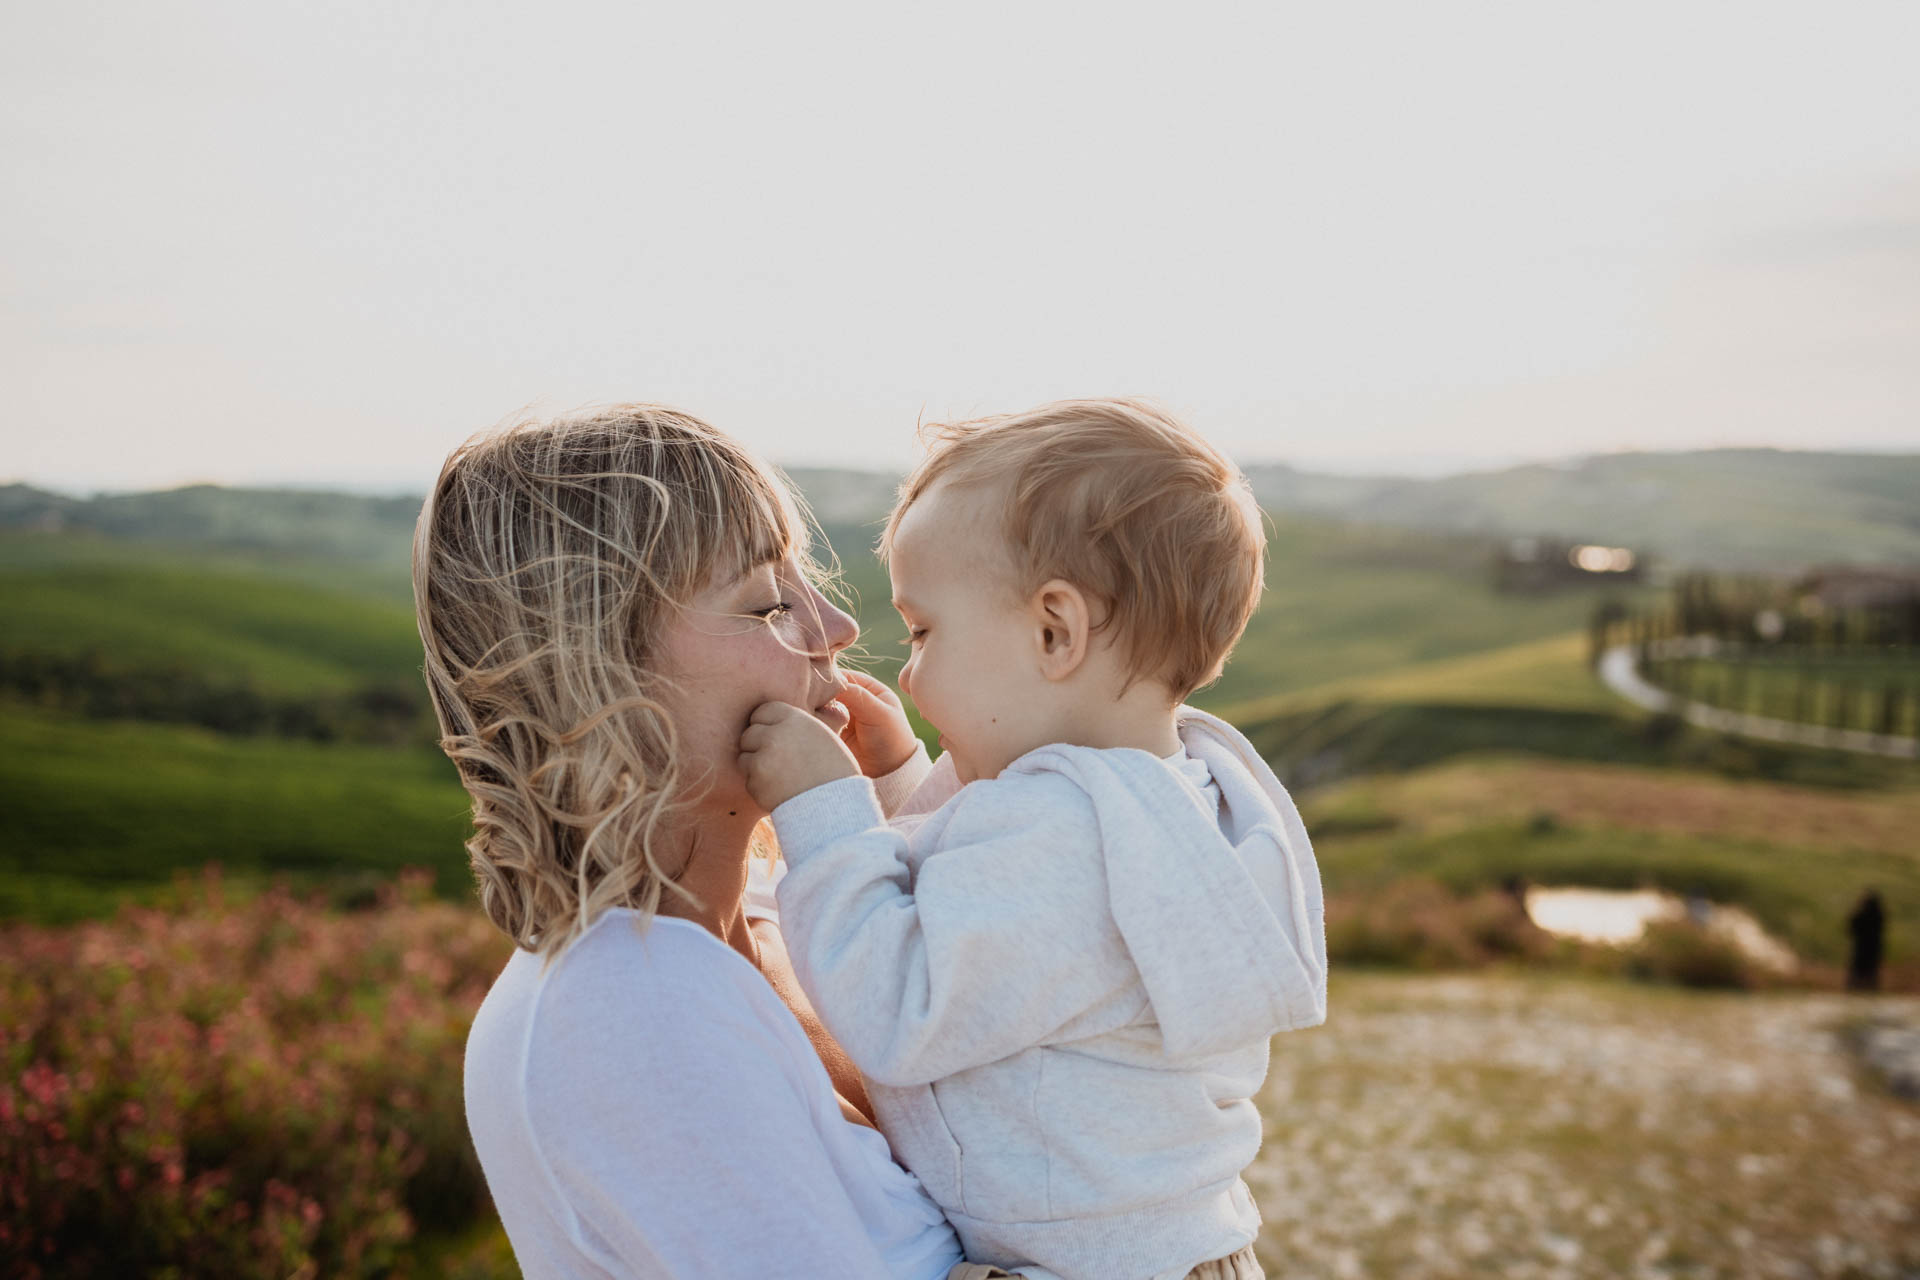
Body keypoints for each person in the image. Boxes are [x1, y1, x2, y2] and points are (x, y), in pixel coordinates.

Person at [737, 399, 1327, 1280]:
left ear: (1055, 631)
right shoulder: (1152, 803)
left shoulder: (1073, 838)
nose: (907, 665)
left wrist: (824, 810)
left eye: (925, 631)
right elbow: (982, 915)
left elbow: (900, 1003)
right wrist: (899, 775)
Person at [413, 404, 983, 1279]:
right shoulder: (619, 1008)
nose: (833, 628)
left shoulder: (779, 912)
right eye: (765, 605)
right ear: (594, 667)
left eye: (807, 585)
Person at [1849, 888, 1886, 992]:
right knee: (1870, 971)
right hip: (1872, 948)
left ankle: (1858, 988)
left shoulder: (1864, 914)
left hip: (1863, 948)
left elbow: (1852, 926)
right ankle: (1867, 988)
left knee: (1861, 971)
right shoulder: (1879, 915)